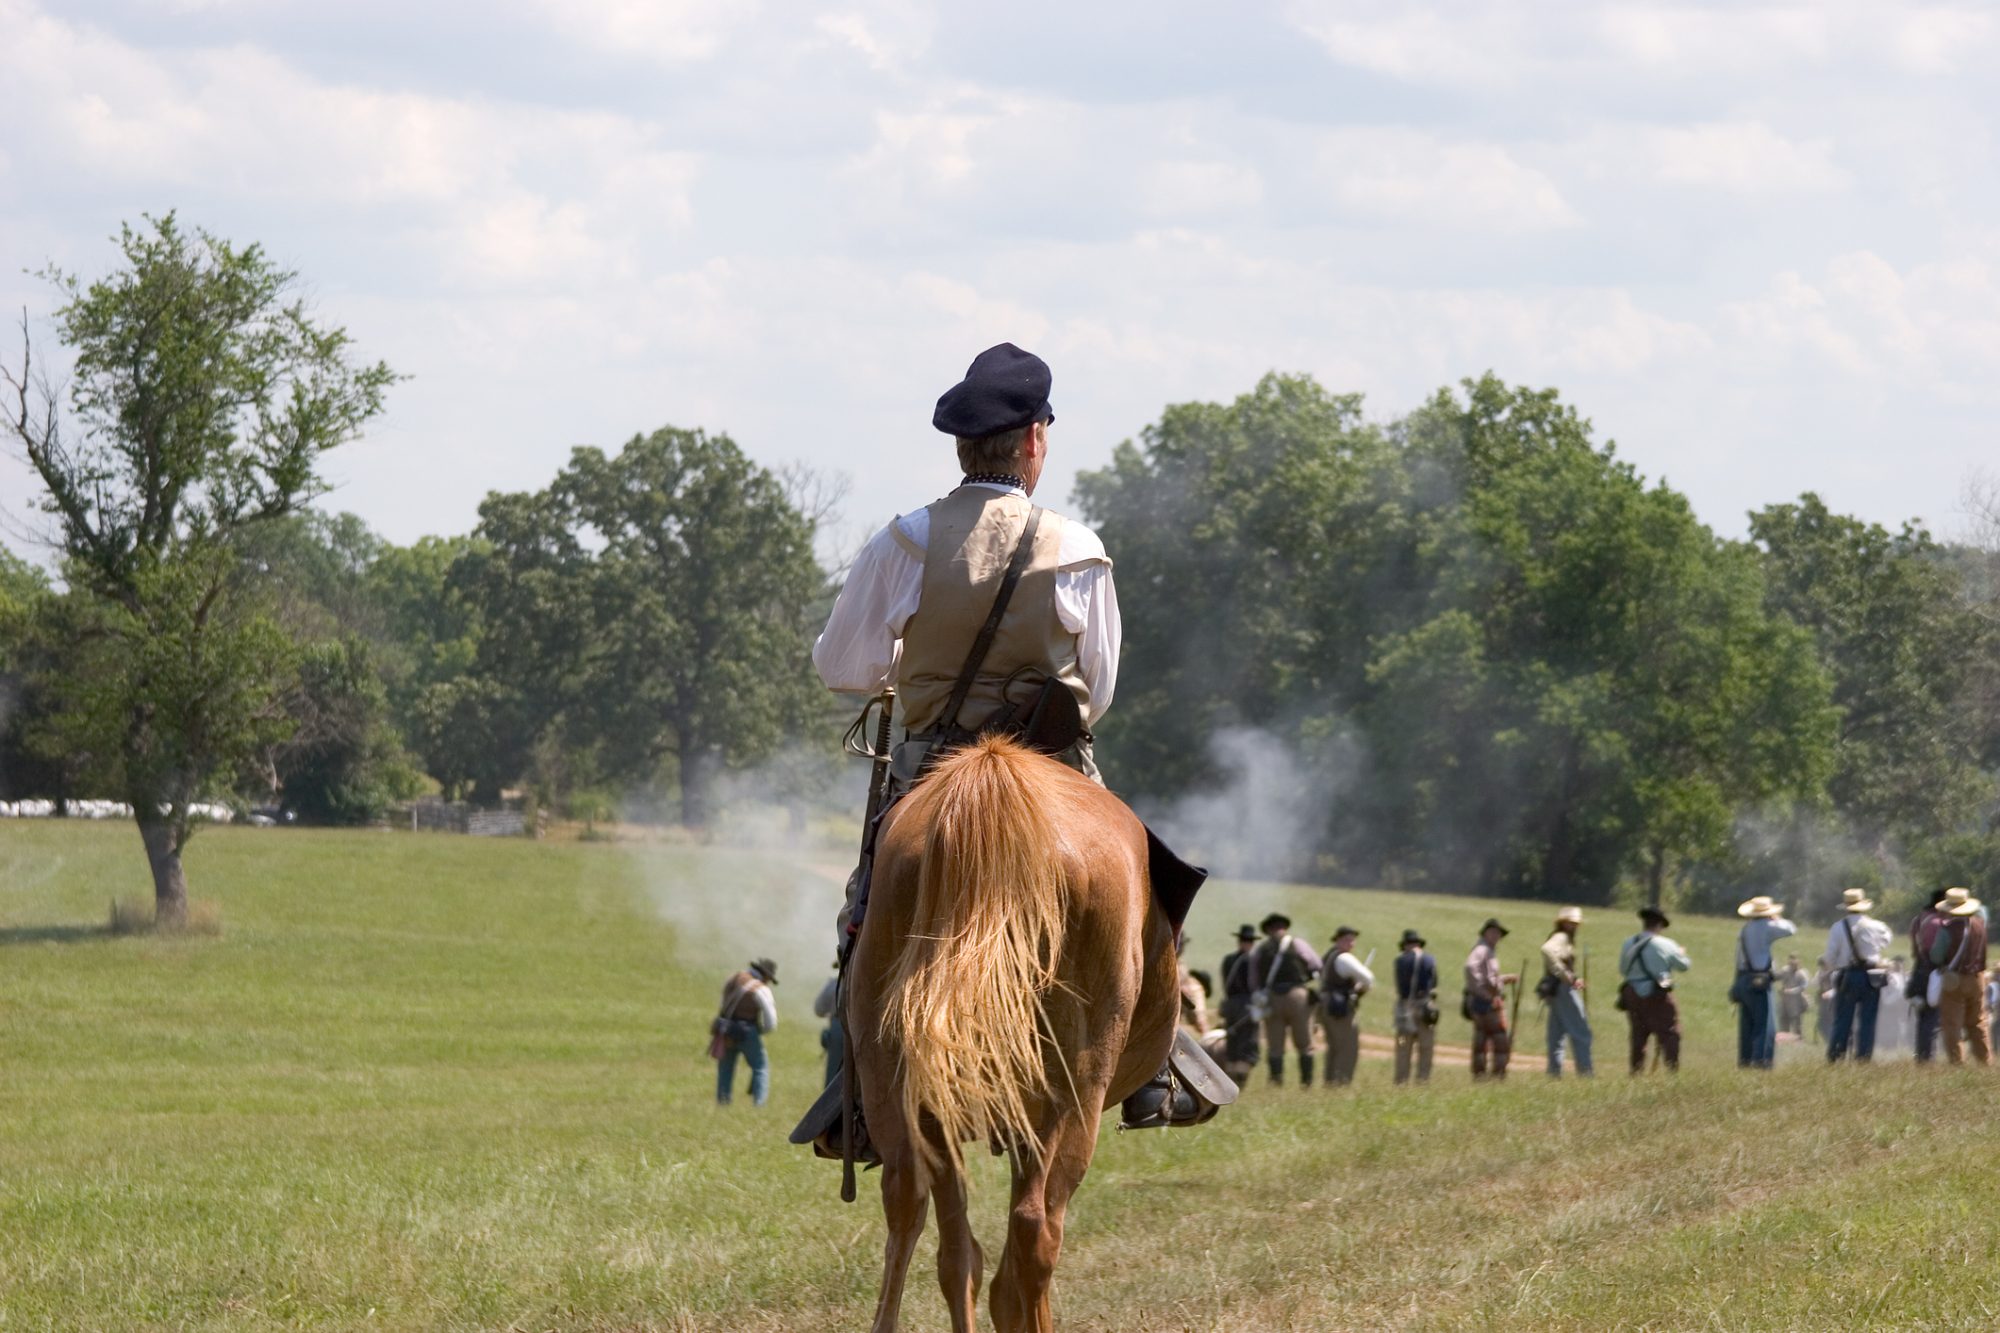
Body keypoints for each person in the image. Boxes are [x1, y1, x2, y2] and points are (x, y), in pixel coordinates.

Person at [1250, 912, 1322, 1086]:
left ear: (1268, 930)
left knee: (1275, 1046)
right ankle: (1307, 1083)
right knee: (1305, 1043)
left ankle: (1276, 1082)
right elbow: (1316, 964)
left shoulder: (1260, 949)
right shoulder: (1297, 944)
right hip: (1297, 995)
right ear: (1285, 927)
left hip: (1272, 998)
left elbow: (1253, 980)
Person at [1823, 888, 1893, 1063]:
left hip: (1847, 975)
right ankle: (1863, 1057)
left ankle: (1836, 1055)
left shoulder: (1838, 928)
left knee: (1843, 1019)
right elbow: (1886, 941)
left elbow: (1830, 957)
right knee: (1868, 1020)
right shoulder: (1877, 926)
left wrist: (1834, 968)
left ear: (1846, 907)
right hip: (1871, 976)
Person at [1618, 908, 1690, 1073]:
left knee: (1638, 1034)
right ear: (1659, 925)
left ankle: (1636, 1073)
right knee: (1670, 1033)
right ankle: (1672, 1071)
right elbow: (1684, 966)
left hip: (1632, 993)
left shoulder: (1629, 942)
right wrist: (1680, 953)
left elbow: (1623, 969)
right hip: (1656, 993)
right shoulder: (1667, 944)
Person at [1731, 896, 1796, 1069]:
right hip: (1759, 981)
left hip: (1743, 979)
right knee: (1765, 1026)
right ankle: (1762, 1064)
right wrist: (1777, 917)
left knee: (1747, 1026)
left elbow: (1738, 960)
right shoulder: (1768, 926)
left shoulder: (1745, 929)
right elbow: (1791, 929)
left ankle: (1744, 1062)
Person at [1931, 887, 1991, 1066]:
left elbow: (1936, 956)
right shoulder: (1981, 924)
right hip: (1978, 978)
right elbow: (1982, 911)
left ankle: (1957, 1063)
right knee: (1978, 1021)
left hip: (1954, 979)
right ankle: (1984, 1061)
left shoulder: (1946, 929)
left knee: (1952, 1023)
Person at [714, 958, 779, 1106]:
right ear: (766, 976)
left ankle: (723, 1102)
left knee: (725, 1069)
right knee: (760, 1067)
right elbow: (771, 1021)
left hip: (726, 1028)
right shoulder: (761, 988)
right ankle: (759, 1104)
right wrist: (761, 1030)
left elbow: (723, 1004)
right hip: (748, 1030)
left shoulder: (733, 979)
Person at [1317, 926, 1374, 1087]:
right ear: (1338, 940)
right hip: (1338, 1007)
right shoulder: (1344, 958)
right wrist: (1360, 990)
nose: (1350, 943)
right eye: (1346, 940)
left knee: (1334, 1047)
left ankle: (1329, 1083)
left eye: (1352, 940)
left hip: (1325, 1004)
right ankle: (1341, 1084)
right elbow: (1369, 978)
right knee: (1348, 1047)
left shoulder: (1329, 955)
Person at [1539, 907, 1592, 1077]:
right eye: (1570, 923)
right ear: (1563, 923)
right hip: (1562, 989)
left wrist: (1573, 978)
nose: (1574, 926)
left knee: (1556, 1034)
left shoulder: (1564, 938)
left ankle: (1553, 1074)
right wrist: (1565, 975)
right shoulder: (1560, 937)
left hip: (1557, 990)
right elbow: (1547, 950)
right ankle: (1586, 1074)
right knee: (1581, 1031)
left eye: (1575, 923)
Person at [1464, 919, 1517, 1079]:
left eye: (1498, 933)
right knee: (1500, 1039)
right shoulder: (1483, 950)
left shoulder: (1485, 949)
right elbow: (1471, 968)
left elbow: (1488, 976)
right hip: (1488, 1002)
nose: (1496, 936)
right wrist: (1485, 991)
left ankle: (1479, 1076)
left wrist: (1503, 979)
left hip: (1482, 1001)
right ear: (1485, 932)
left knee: (1481, 1039)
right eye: (1493, 932)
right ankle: (1498, 1076)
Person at [1391, 929, 1440, 1084]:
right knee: (1426, 1048)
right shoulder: (1430, 960)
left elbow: (1400, 985)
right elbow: (1435, 982)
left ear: (1405, 945)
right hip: (1425, 1007)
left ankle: (1401, 1081)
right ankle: (1422, 1081)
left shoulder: (1400, 961)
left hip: (1405, 1008)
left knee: (1403, 1049)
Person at [1217, 923, 1262, 1078]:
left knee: (1233, 1041)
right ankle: (1240, 1078)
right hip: (1247, 1004)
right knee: (1247, 1041)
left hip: (1231, 1004)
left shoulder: (1228, 960)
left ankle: (1231, 1074)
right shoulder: (1254, 961)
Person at [1908, 897, 1949, 1063]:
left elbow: (1914, 950)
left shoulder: (1918, 920)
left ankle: (1921, 1055)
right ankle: (1927, 1057)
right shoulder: (1940, 924)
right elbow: (1938, 955)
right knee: (1932, 1018)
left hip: (1919, 971)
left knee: (1922, 1017)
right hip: (1934, 973)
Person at [811, 956, 843, 1090]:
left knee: (833, 1073)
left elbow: (819, 1009)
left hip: (838, 1027)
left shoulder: (833, 984)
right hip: (861, 1029)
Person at [1777, 954, 1809, 1037]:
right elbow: (1778, 977)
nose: (1792, 965)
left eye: (1794, 963)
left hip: (1796, 1001)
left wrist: (1792, 991)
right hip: (1784, 1000)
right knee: (1783, 1020)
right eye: (1791, 963)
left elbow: (1804, 986)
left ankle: (1798, 1039)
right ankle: (1784, 1039)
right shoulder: (1784, 970)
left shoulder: (1802, 973)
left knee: (1796, 1023)